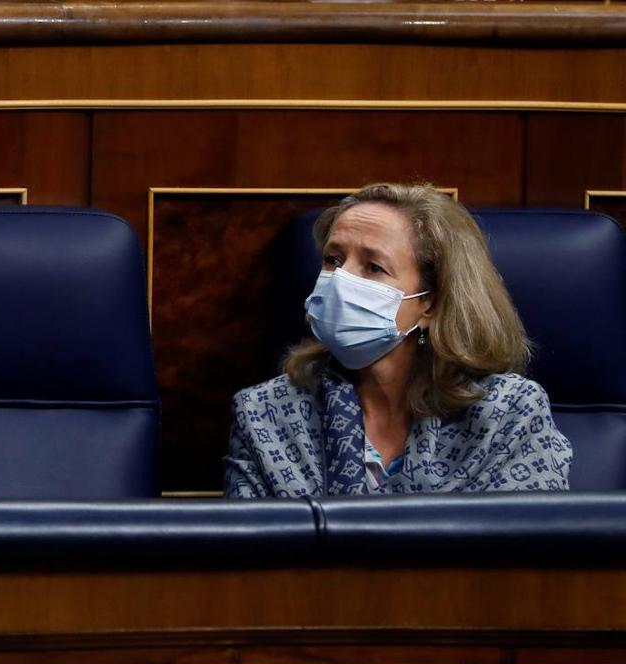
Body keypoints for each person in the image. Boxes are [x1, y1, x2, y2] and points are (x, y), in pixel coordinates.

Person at [225, 183, 572, 497]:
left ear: (429, 303)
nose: (340, 280)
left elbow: (533, 557)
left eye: (374, 267)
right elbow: (247, 560)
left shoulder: (508, 414)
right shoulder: (264, 415)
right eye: (333, 259)